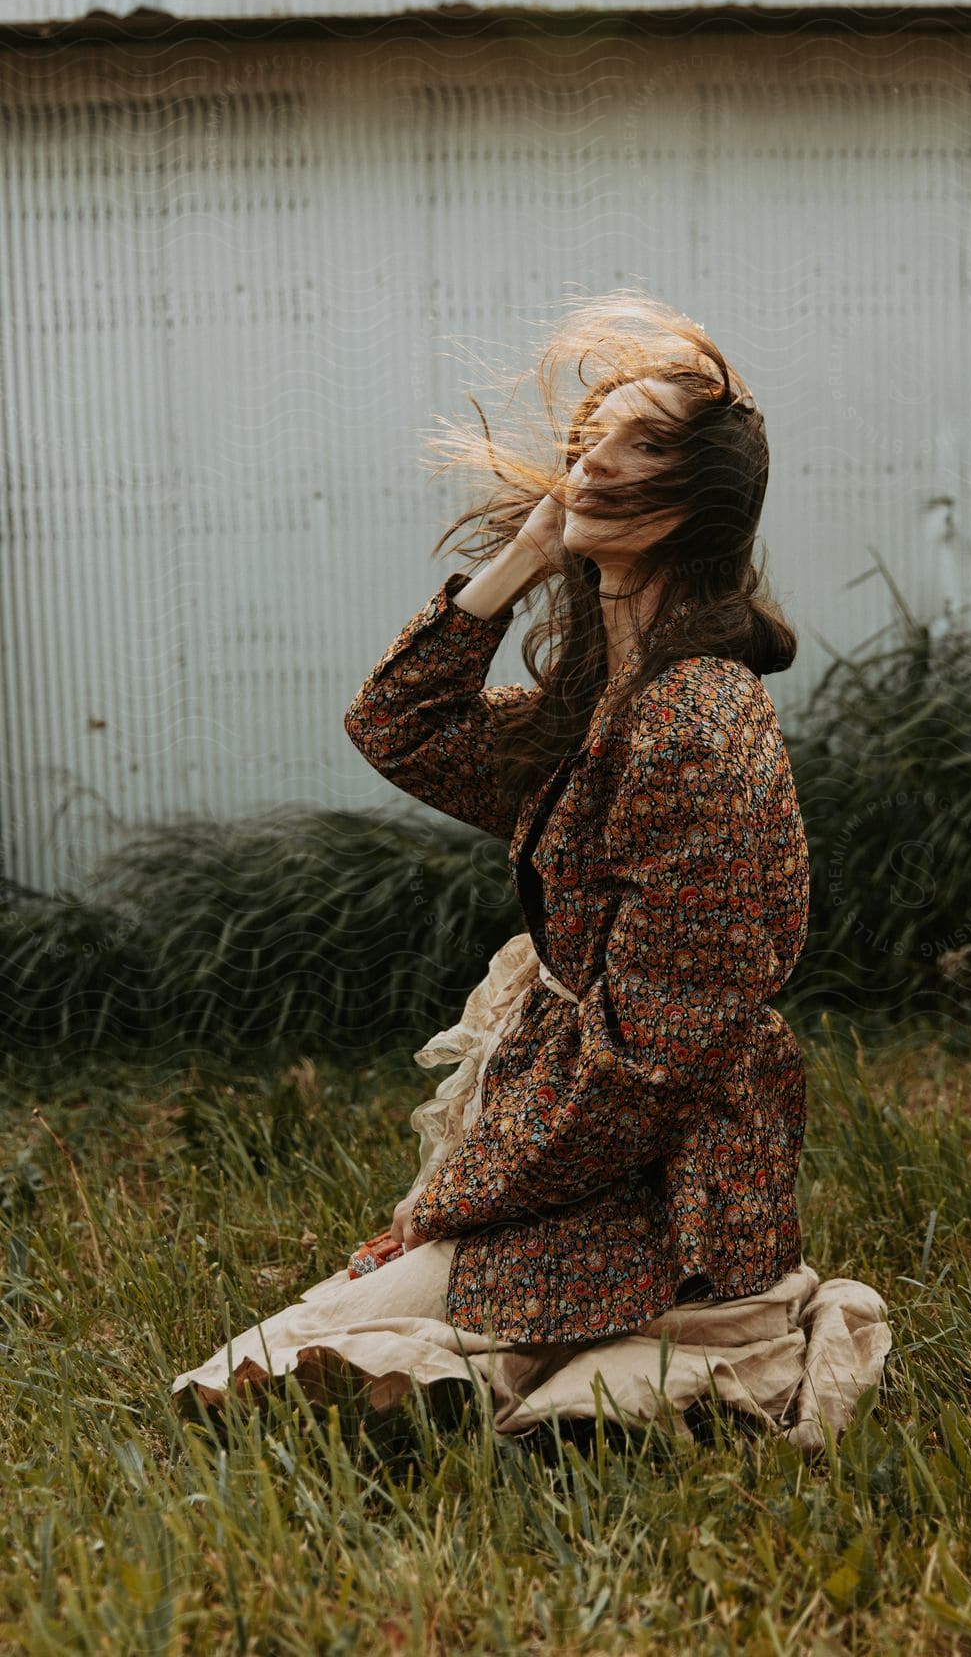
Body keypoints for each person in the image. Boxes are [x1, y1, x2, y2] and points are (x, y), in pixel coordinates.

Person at [171, 292, 890, 1447]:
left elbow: (655, 1059)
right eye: (592, 435)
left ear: (701, 502)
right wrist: (521, 554)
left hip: (668, 1173)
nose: (595, 460)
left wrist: (456, 1198)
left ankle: (692, 1347)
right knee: (268, 1371)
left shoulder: (694, 719)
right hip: (580, 1126)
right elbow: (400, 726)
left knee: (322, 1378)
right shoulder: (599, 700)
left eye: (643, 441)